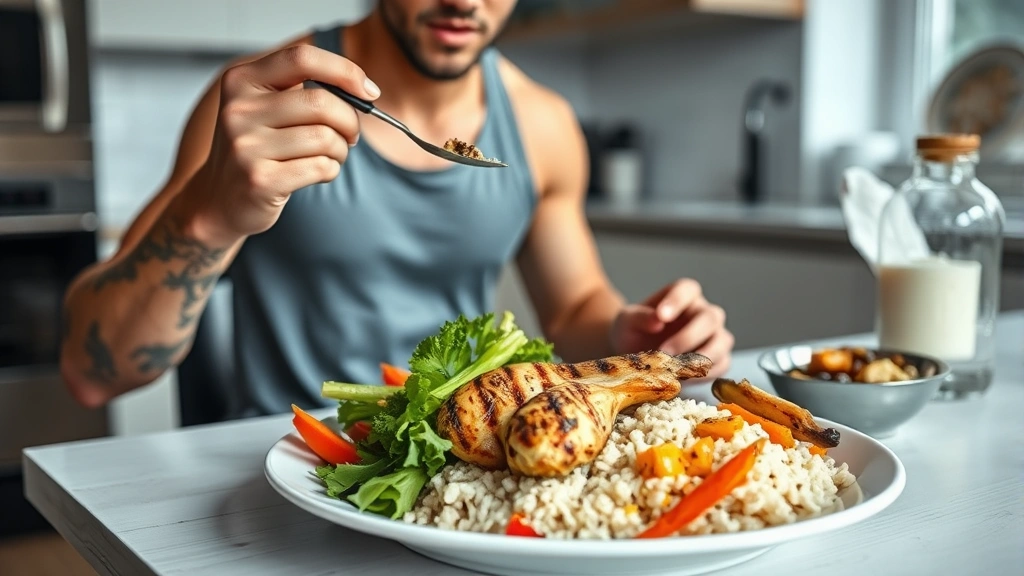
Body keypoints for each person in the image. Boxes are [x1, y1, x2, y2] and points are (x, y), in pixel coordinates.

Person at [59, 0, 733, 418]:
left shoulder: (544, 125)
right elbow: (94, 372)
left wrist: (628, 332)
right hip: (279, 468)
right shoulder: (260, 105)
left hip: (457, 470)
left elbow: (571, 309)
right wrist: (205, 216)